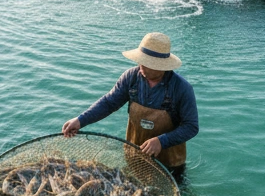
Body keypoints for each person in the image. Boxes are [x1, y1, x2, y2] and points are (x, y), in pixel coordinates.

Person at [62, 32, 198, 177]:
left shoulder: (182, 88)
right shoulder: (131, 78)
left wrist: (162, 141)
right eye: (141, 61)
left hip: (169, 160)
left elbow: (191, 127)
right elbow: (109, 103)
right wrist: (81, 120)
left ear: (161, 66)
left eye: (147, 63)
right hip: (136, 153)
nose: (141, 66)